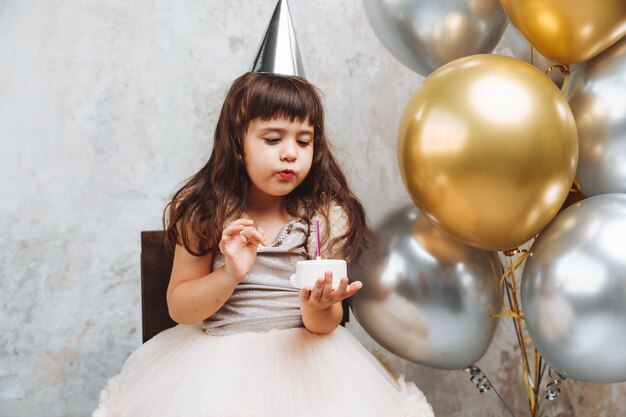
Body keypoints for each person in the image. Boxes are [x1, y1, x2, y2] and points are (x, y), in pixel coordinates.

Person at [93, 72, 434, 417]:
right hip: (216, 372)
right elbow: (180, 308)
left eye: (304, 141)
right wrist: (229, 275)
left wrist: (318, 304)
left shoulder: (322, 216)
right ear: (238, 144)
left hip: (310, 367)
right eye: (273, 140)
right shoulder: (205, 213)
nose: (291, 154)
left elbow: (325, 323)